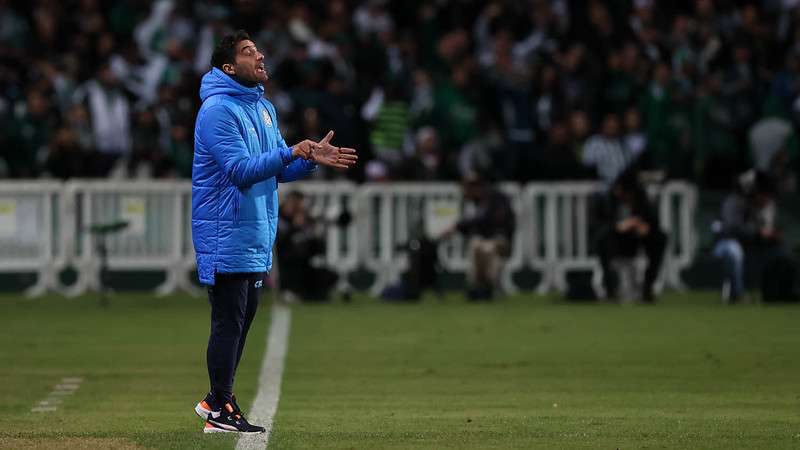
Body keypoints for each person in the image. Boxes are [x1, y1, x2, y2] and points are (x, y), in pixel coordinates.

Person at [191, 30, 357, 434]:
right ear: (229, 68)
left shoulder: (262, 108)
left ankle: (216, 400)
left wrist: (308, 159)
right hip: (224, 230)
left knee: (242, 318)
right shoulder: (217, 110)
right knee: (228, 321)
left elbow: (276, 168)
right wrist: (289, 150)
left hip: (252, 231)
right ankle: (220, 407)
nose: (260, 55)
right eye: (249, 52)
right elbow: (240, 170)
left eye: (258, 49)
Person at [596, 170, 667, 302]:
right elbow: (605, 222)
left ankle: (647, 287)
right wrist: (621, 226)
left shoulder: (641, 199)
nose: (618, 191)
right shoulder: (611, 199)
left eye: (621, 188)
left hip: (639, 237)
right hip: (617, 238)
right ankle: (611, 288)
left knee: (660, 238)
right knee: (603, 239)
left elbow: (651, 222)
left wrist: (643, 226)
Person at [442, 173, 515, 300]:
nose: (465, 192)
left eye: (467, 188)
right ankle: (477, 287)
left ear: (476, 188)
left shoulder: (495, 198)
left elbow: (486, 220)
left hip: (500, 240)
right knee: (477, 245)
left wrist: (456, 227)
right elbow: (474, 225)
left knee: (488, 248)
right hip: (484, 240)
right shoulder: (475, 202)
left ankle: (487, 287)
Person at [712, 171, 782, 303]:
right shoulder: (734, 202)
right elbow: (730, 228)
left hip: (750, 245)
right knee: (734, 249)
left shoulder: (762, 207)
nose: (766, 200)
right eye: (764, 195)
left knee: (778, 251)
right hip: (724, 243)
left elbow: (764, 229)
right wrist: (757, 232)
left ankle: (776, 292)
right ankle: (737, 294)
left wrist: (767, 234)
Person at [275, 191, 338, 302]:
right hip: (286, 262)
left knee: (329, 275)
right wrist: (294, 227)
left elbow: (316, 246)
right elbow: (280, 243)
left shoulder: (306, 219)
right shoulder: (278, 218)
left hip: (304, 261)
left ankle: (311, 294)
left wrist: (317, 234)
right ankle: (290, 291)